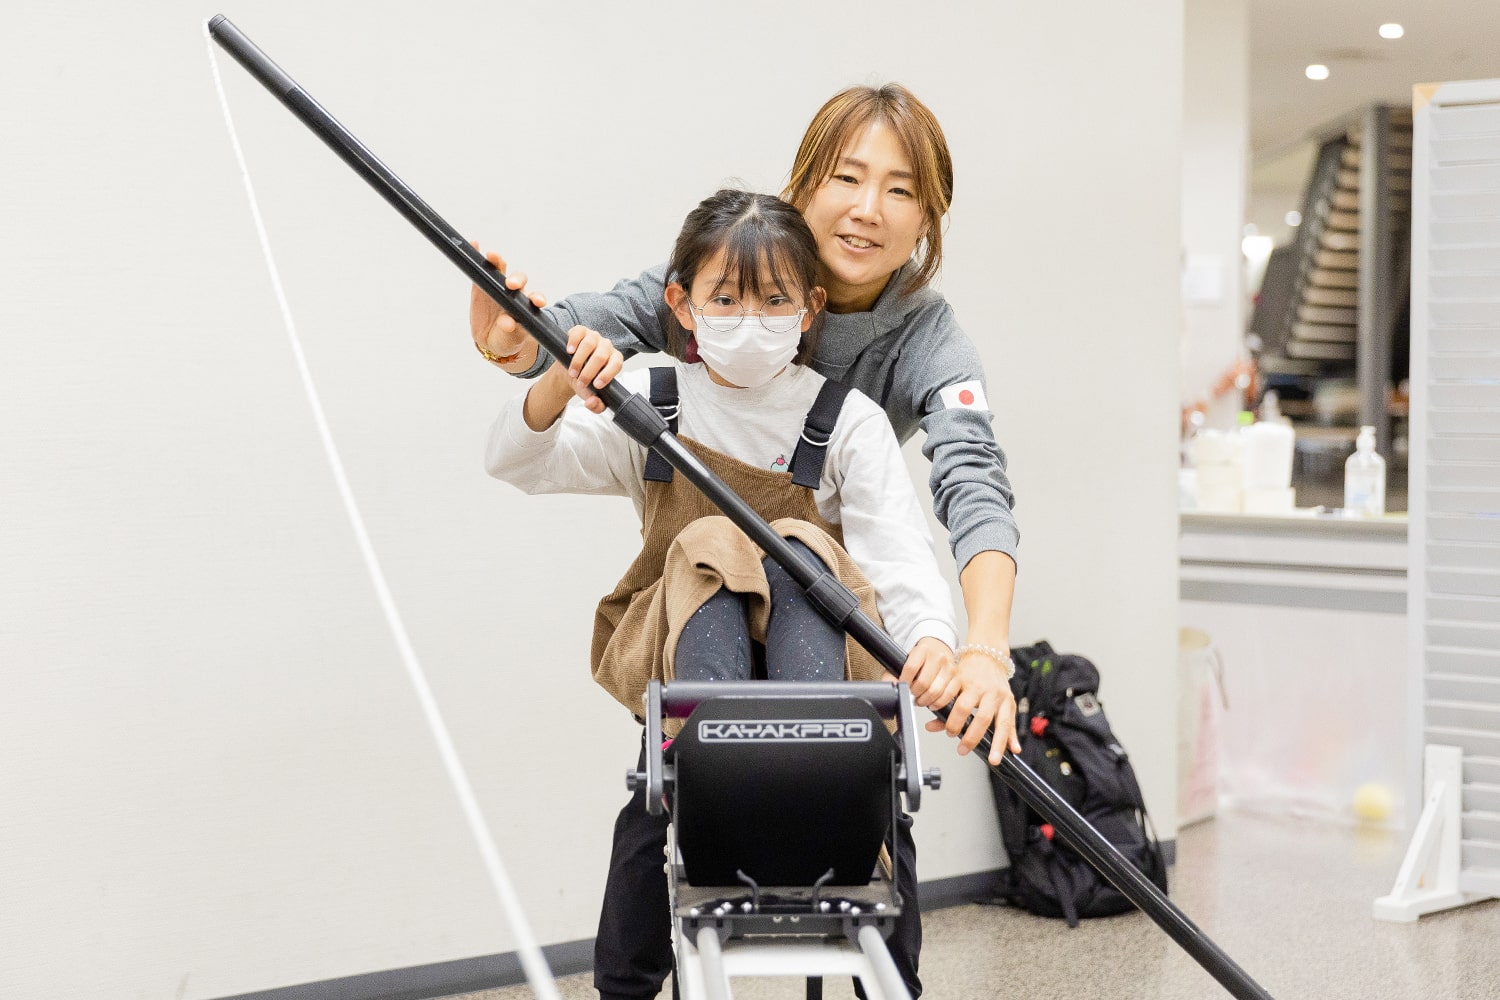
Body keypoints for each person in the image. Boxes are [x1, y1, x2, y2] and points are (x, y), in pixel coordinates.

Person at [473, 84, 1022, 999]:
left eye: (899, 189)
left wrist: (961, 647)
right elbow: (554, 345)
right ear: (685, 308)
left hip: (825, 628)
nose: (867, 207)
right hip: (695, 645)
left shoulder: (870, 403)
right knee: (664, 772)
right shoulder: (670, 371)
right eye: (847, 177)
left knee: (870, 768)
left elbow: (929, 517)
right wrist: (527, 358)